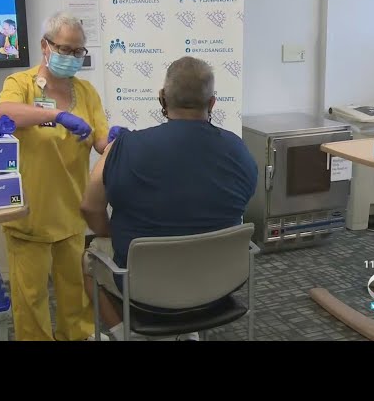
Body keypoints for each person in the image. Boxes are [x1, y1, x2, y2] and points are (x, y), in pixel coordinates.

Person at [80, 56, 258, 341]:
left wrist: (109, 234)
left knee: (88, 260)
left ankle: (126, 335)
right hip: (220, 283)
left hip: (144, 288)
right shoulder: (239, 151)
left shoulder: (122, 147)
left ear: (162, 98)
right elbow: (237, 205)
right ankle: (187, 332)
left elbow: (89, 207)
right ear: (212, 103)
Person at [0, 11, 110, 341]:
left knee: (75, 292)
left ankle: (78, 336)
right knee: (30, 298)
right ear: (45, 46)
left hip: (71, 209)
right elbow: (3, 114)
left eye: (78, 51)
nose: (71, 57)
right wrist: (56, 115)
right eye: (64, 49)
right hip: (30, 214)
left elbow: (100, 140)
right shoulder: (21, 83)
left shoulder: (86, 92)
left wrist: (114, 140)